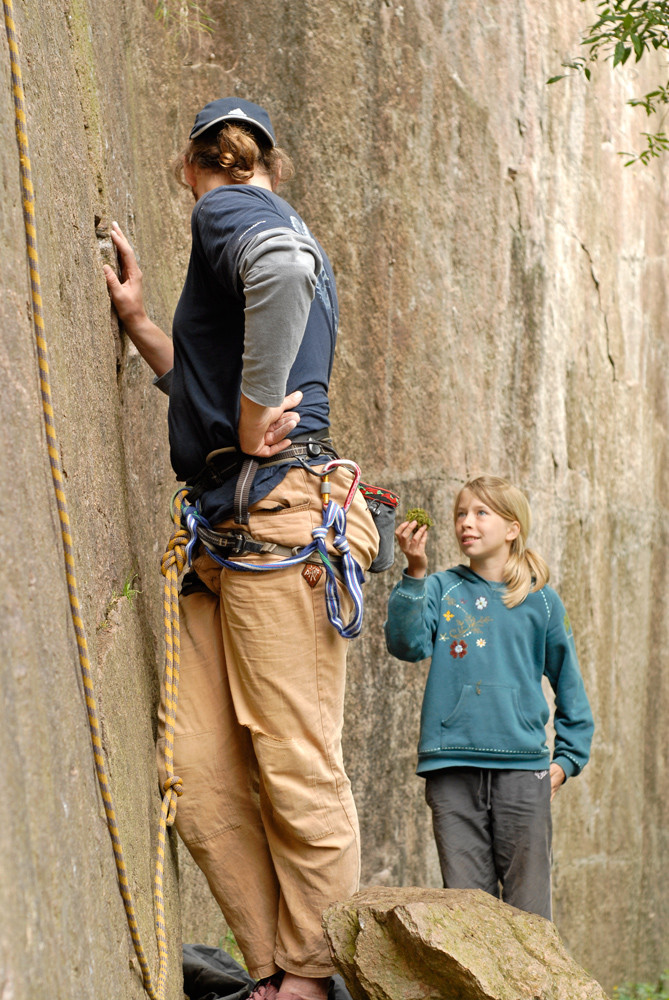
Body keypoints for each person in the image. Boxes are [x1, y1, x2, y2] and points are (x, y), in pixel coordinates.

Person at [103, 97, 378, 999]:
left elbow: (283, 270)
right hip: (233, 526)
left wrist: (258, 413)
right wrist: (148, 326)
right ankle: (273, 972)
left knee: (296, 765)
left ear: (193, 164)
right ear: (270, 156)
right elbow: (211, 388)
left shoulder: (229, 211)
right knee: (197, 764)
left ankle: (312, 979)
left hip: (276, 519)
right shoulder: (256, 214)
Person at [384, 474, 593, 920]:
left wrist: (567, 759)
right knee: (468, 913)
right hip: (452, 767)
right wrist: (415, 573)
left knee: (529, 913)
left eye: (481, 512)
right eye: (461, 513)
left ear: (513, 528)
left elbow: (569, 684)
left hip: (523, 771)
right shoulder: (441, 588)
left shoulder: (542, 601)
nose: (466, 522)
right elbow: (406, 646)